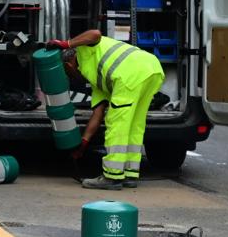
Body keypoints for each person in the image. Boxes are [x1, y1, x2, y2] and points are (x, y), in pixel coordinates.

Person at [47, 30, 165, 190]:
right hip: (152, 70)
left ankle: (112, 176)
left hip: (129, 75)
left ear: (69, 65)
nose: (70, 77)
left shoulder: (84, 49)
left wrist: (65, 44)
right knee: (135, 126)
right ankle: (130, 174)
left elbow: (95, 33)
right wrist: (84, 142)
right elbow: (97, 113)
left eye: (67, 72)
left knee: (117, 125)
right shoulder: (96, 79)